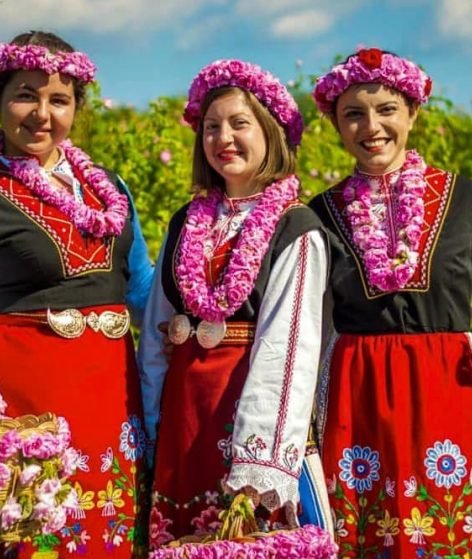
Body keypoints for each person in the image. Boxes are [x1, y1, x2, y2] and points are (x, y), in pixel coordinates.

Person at [0, 31, 153, 559]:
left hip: (112, 399)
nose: (42, 114)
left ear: (75, 108)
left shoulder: (110, 191)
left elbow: (143, 291)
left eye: (59, 100)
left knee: (108, 534)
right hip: (27, 403)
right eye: (25, 94)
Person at [308, 48, 472, 559]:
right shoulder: (318, 215)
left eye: (386, 110)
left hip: (449, 393)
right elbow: (308, 324)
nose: (371, 126)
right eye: (353, 113)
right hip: (359, 400)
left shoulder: (468, 200)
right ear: (336, 124)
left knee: (455, 533)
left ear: (413, 113)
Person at [138, 59, 330, 548]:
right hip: (185, 415)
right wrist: (152, 423)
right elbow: (159, 326)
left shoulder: (296, 226)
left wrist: (259, 459)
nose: (223, 137)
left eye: (239, 123)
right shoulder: (187, 220)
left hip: (245, 411)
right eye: (211, 126)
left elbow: (290, 346)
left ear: (270, 132)